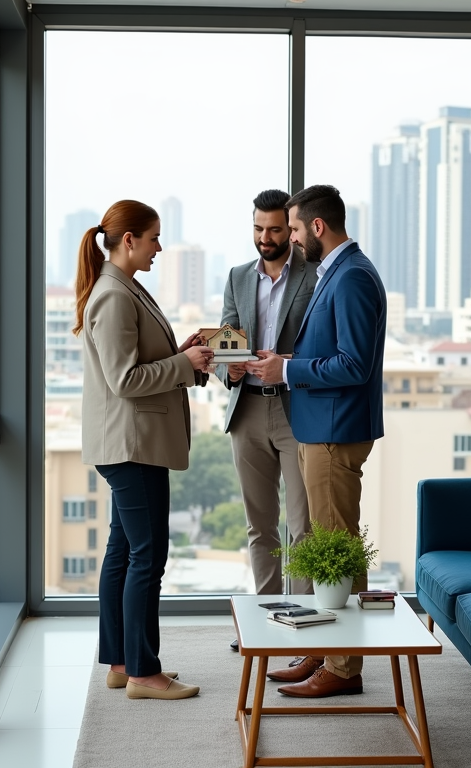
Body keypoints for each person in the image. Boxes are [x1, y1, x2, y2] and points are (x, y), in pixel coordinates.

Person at [246, 184, 387, 698]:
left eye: (297, 227)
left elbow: (354, 363)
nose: (294, 237)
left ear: (317, 227)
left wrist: (287, 369)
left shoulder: (350, 277)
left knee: (336, 549)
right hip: (320, 428)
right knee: (330, 545)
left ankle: (344, 668)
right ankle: (326, 649)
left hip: (334, 430)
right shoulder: (339, 272)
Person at [76, 199, 213, 701]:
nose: (160, 247)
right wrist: (183, 364)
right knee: (147, 555)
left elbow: (144, 364)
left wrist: (185, 357)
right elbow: (125, 379)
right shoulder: (113, 296)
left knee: (123, 550)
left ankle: (120, 663)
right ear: (128, 239)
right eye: (154, 238)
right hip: (132, 446)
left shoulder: (125, 287)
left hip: (132, 442)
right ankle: (143, 673)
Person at [218, 189, 319, 651]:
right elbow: (226, 340)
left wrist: (287, 361)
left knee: (303, 525)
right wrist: (228, 366)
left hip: (297, 408)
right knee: (260, 525)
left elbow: (322, 344)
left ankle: (300, 627)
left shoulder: (314, 276)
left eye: (276, 229)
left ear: (290, 229)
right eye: (258, 229)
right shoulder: (238, 277)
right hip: (248, 409)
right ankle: (263, 622)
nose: (266, 237)